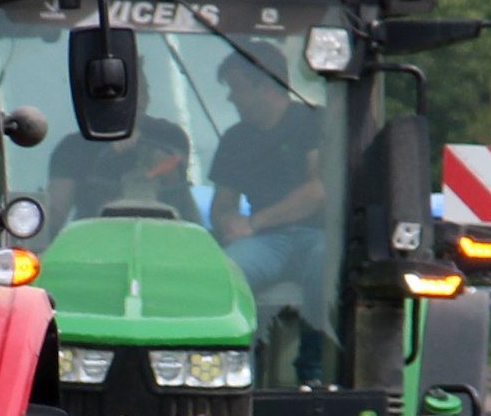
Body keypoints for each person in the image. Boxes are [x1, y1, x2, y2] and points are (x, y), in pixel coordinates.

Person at [209, 53, 329, 312]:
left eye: (236, 89)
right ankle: (237, 351)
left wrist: (253, 222)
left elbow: (318, 191)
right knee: (224, 275)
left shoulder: (315, 121)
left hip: (319, 235)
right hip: (265, 242)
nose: (230, 98)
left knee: (327, 267)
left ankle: (319, 348)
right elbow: (222, 203)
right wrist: (227, 221)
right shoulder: (234, 139)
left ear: (264, 86)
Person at [48, 113, 195, 224]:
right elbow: (54, 215)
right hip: (91, 244)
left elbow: (184, 192)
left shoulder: (171, 137)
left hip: (171, 239)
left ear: (146, 95)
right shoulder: (74, 148)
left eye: (140, 88)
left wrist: (169, 171)